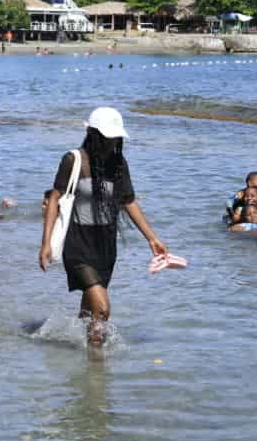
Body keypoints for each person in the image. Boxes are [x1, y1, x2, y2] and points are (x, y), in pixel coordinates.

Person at [38, 107, 170, 347]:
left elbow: (128, 201)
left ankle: (76, 353)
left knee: (90, 310)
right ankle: (97, 369)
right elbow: (55, 199)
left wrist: (152, 238)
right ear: (93, 134)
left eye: (116, 138)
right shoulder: (74, 160)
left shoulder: (119, 164)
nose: (112, 143)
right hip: (78, 243)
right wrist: (45, 242)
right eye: (107, 137)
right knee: (103, 309)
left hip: (106, 245)